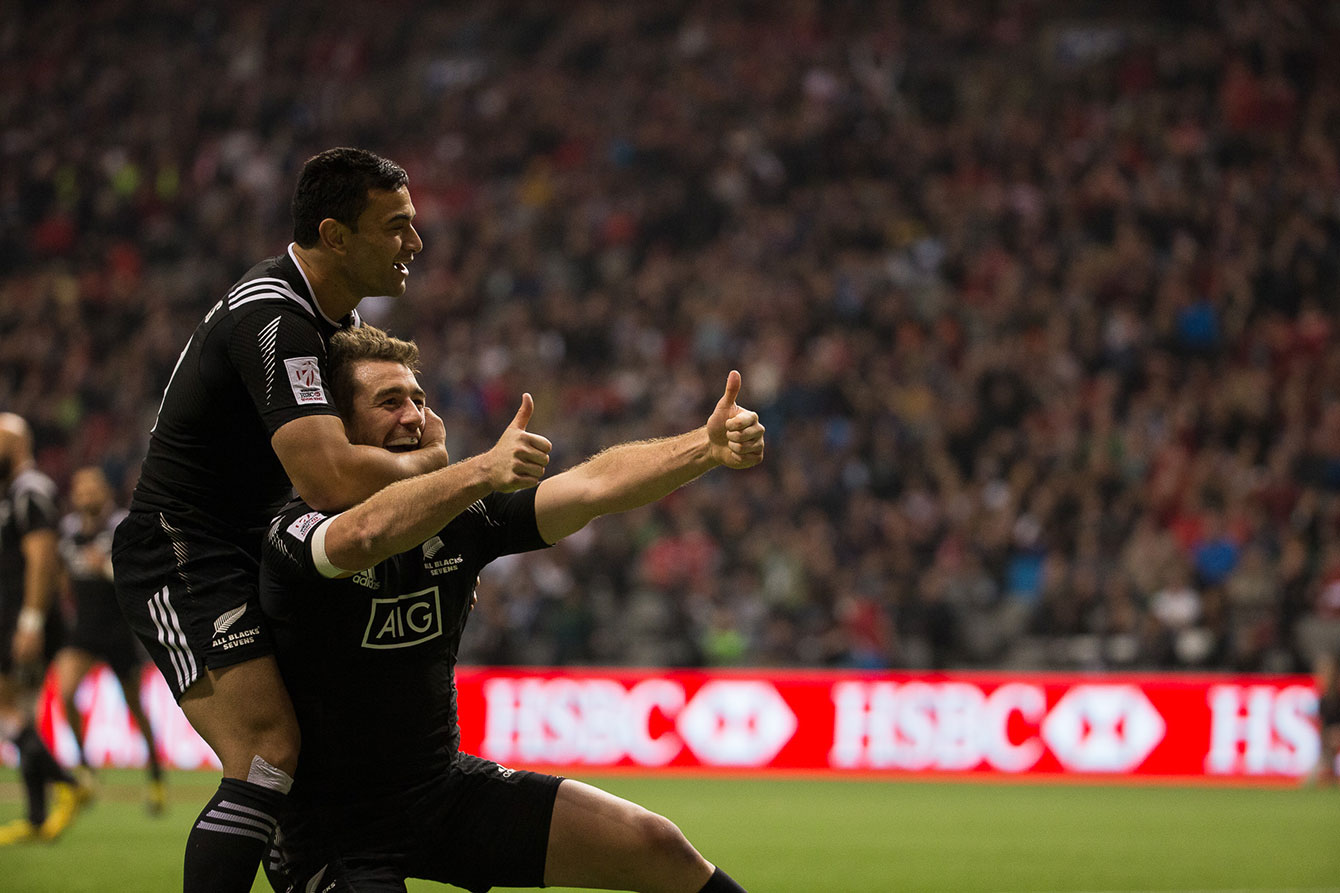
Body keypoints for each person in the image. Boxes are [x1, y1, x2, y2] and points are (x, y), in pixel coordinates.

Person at [259, 325, 761, 892]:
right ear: (340, 427)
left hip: (441, 795)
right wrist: (477, 471)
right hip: (330, 830)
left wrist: (706, 447)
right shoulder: (294, 528)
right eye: (389, 401)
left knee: (656, 846)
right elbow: (367, 533)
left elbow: (591, 486)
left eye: (419, 400)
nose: (413, 416)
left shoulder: (465, 518)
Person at [111, 148, 468, 892]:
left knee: (313, 754)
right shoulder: (273, 314)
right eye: (396, 224)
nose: (416, 242)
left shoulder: (333, 318)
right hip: (187, 550)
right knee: (268, 749)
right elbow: (330, 476)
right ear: (336, 236)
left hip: (265, 545)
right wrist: (442, 467)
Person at [52, 466, 166, 814]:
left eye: (93, 489)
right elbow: (61, 578)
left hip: (119, 631)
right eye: (81, 490)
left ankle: (155, 774)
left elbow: (141, 573)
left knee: (136, 709)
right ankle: (85, 769)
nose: (87, 495)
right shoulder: (68, 532)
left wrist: (104, 568)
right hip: (84, 631)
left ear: (105, 492)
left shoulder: (121, 527)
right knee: (65, 693)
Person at [0, 413, 87, 845]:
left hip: (22, 620)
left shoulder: (29, 490)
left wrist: (31, 621)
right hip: (16, 617)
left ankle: (69, 782)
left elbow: (42, 558)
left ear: (16, 444)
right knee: (24, 716)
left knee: (7, 710)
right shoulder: (13, 493)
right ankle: (36, 819)